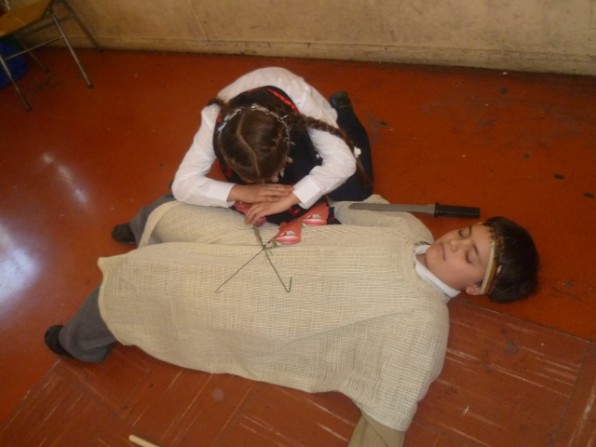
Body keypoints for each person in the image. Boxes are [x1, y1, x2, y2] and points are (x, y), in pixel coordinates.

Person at [45, 196, 539, 447]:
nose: (454, 243)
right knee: (171, 206)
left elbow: (389, 414)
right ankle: (144, 229)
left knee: (134, 282)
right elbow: (352, 203)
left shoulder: (419, 324)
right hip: (262, 244)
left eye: (469, 257)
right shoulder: (410, 229)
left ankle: (78, 343)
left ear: (475, 289)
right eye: (465, 233)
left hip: (255, 303)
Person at [112, 67, 374, 245]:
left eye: (273, 174)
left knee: (356, 192)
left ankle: (343, 109)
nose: (271, 181)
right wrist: (242, 191)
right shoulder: (213, 121)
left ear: (285, 147)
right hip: (265, 131)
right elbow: (182, 184)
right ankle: (145, 224)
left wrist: (292, 197)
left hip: (308, 124)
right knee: (185, 193)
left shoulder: (300, 100)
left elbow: (342, 162)